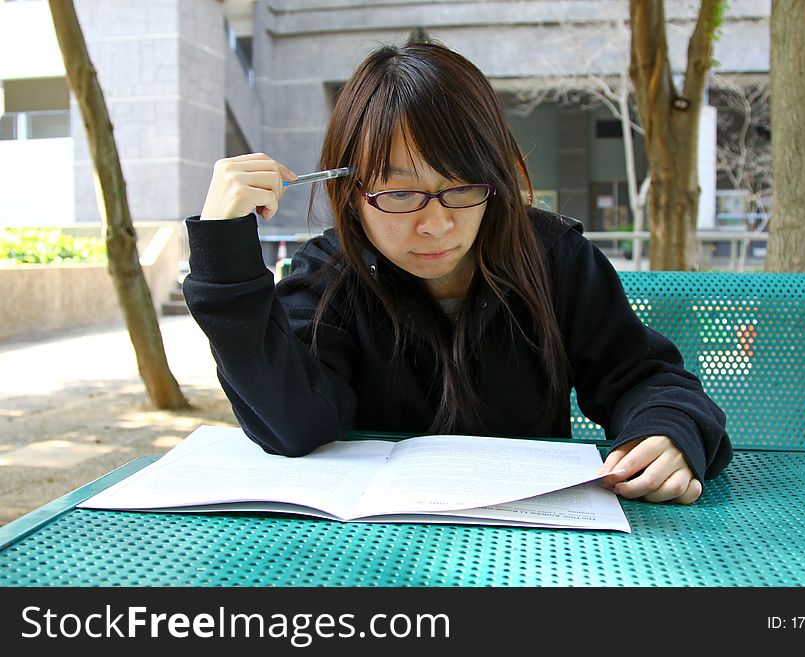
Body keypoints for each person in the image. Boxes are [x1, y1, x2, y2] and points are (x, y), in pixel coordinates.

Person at [183, 39, 731, 505]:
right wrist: (224, 258)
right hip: (369, 555)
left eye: (463, 188)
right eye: (400, 193)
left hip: (533, 541)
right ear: (350, 193)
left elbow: (642, 377)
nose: (438, 224)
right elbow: (293, 423)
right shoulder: (331, 276)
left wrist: (670, 431)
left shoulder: (552, 258)